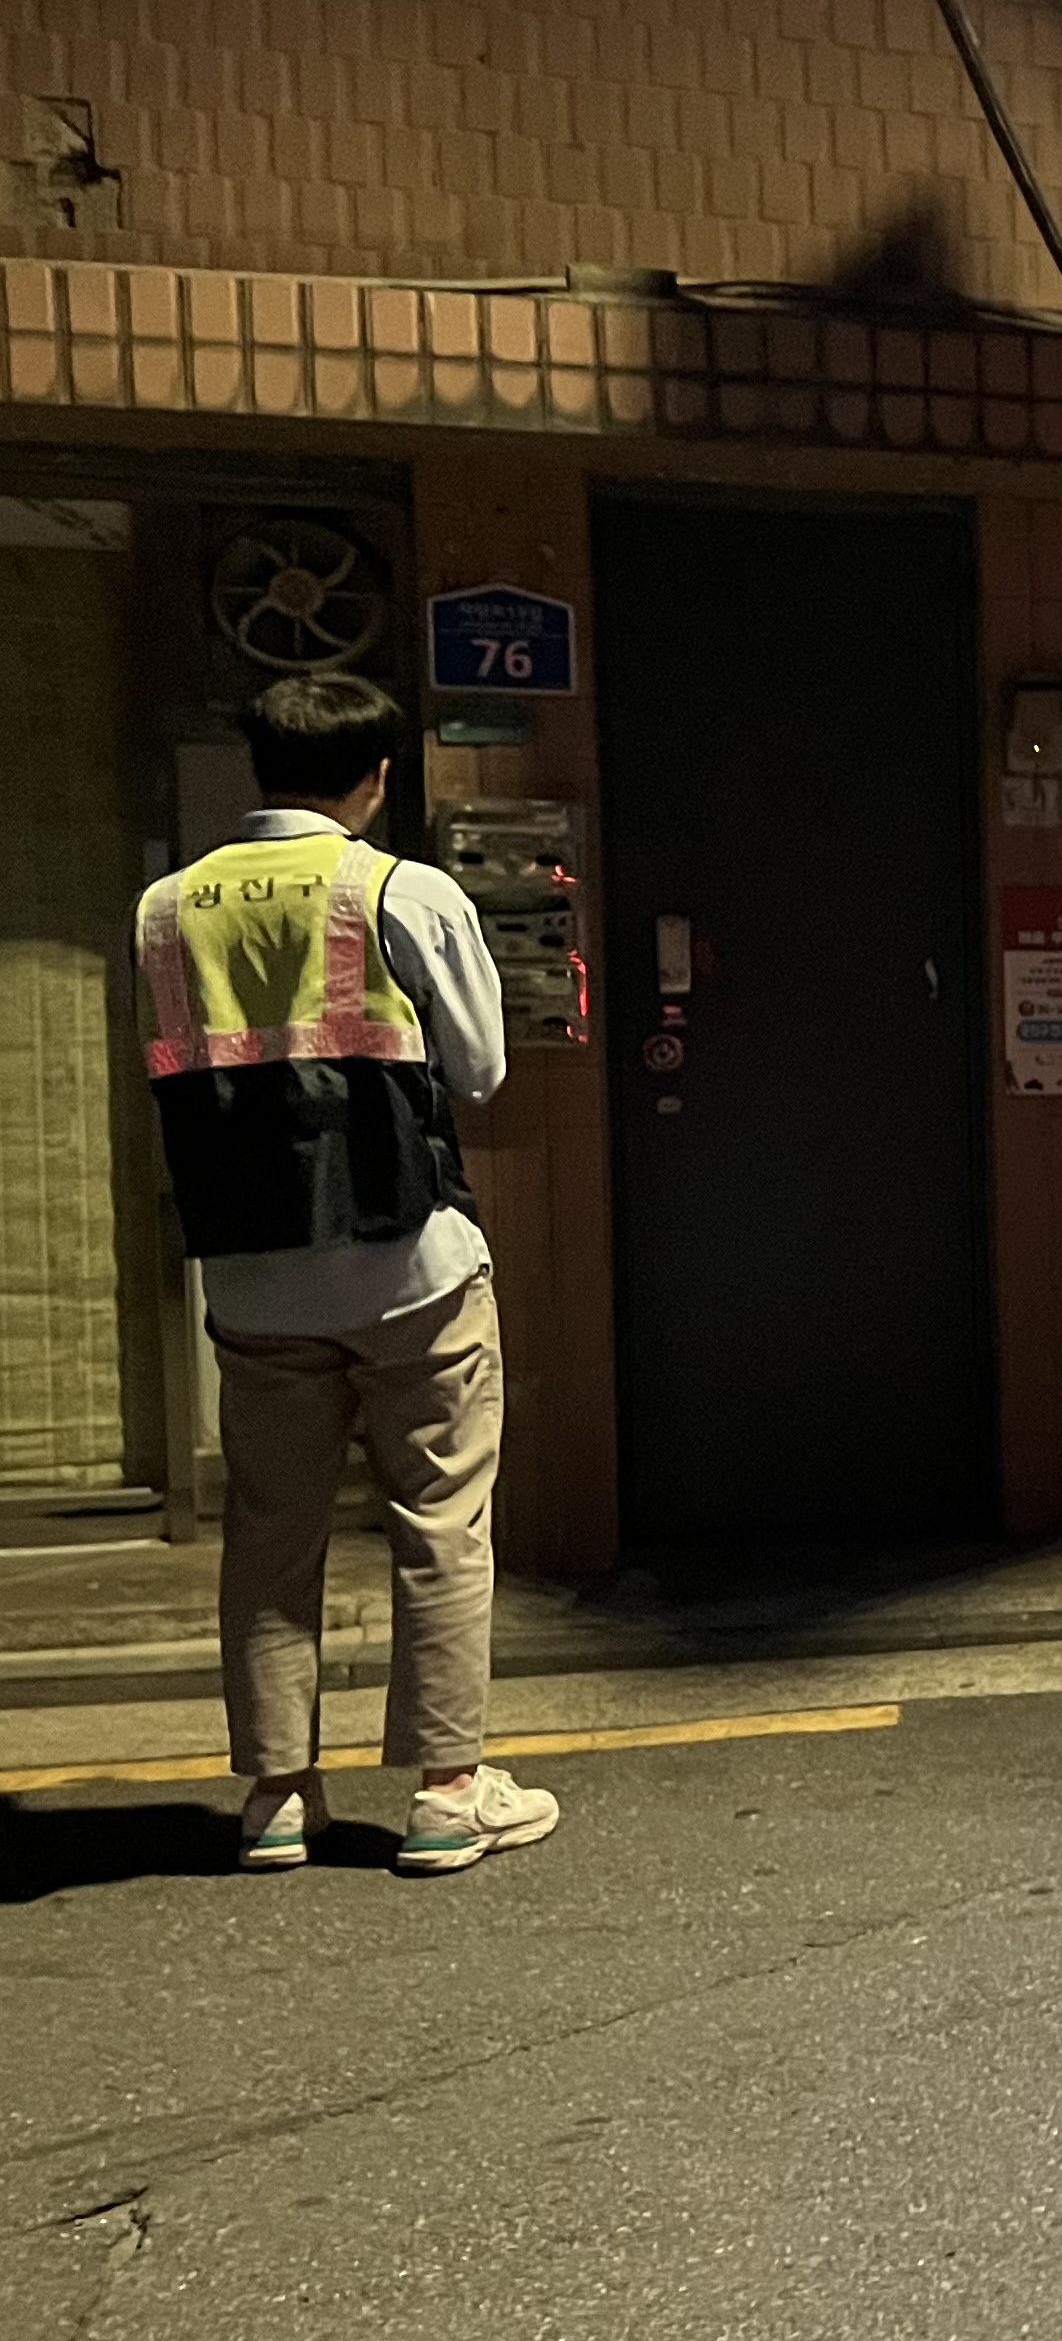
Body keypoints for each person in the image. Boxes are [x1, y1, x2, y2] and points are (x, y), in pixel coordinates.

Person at [137, 670, 559, 1876]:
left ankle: (277, 1795)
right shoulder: (398, 890)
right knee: (441, 1520)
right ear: (377, 777)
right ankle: (447, 1792)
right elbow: (479, 1069)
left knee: (271, 1532)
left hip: (250, 1269)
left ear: (259, 768)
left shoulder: (165, 908)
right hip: (407, 1256)